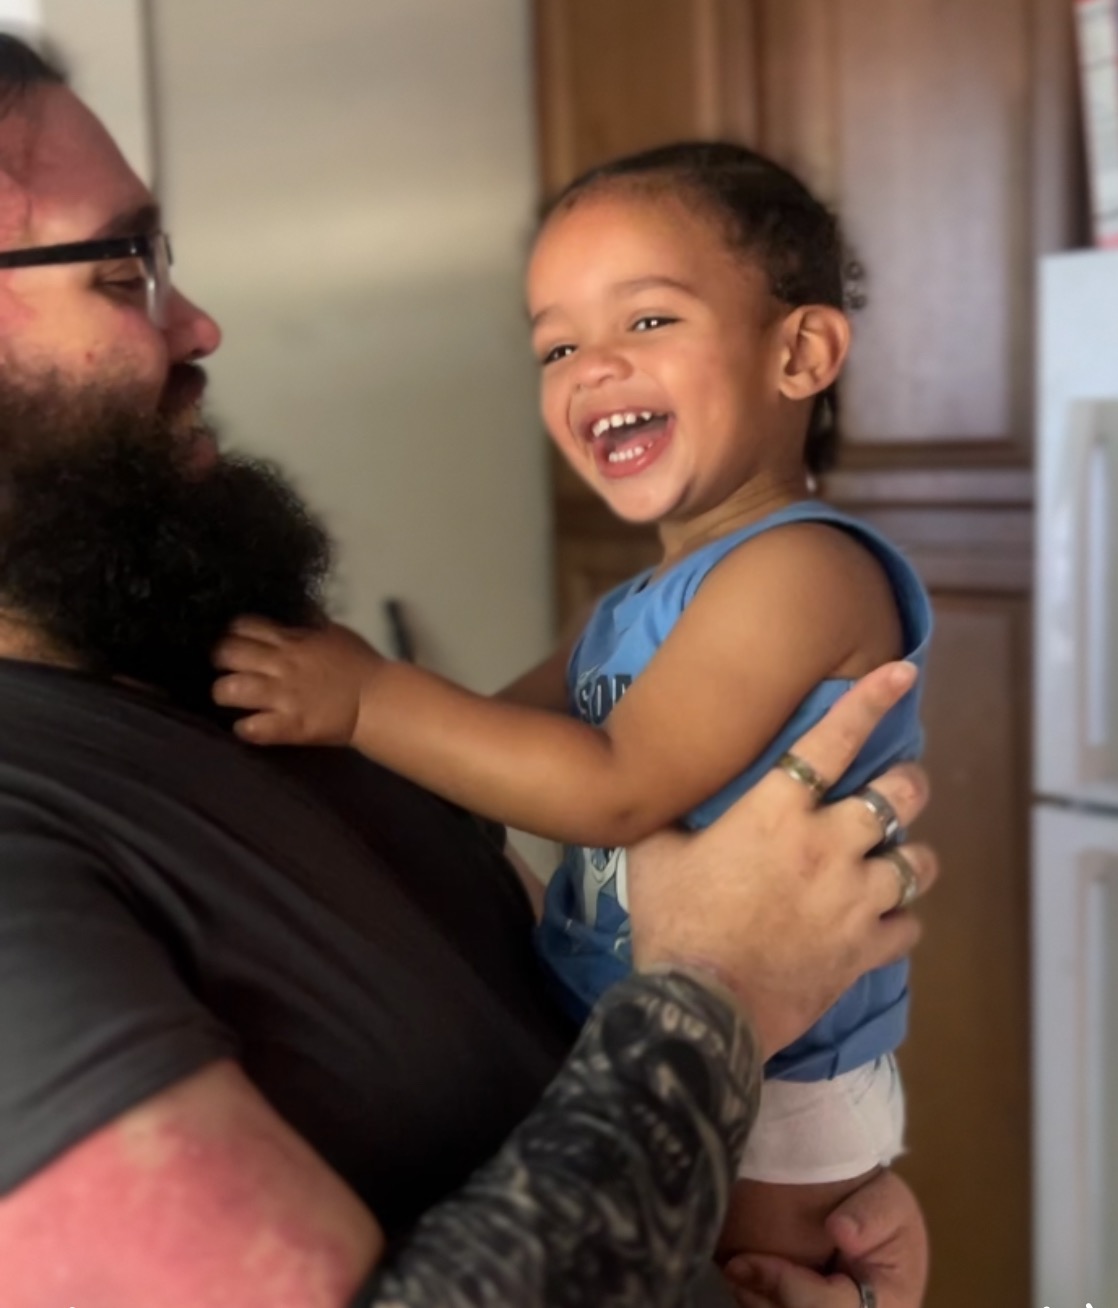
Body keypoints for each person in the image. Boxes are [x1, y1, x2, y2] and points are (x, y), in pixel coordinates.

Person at [0, 35, 937, 1308]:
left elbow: (545, 803)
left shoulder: (174, 637)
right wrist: (713, 1002)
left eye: (647, 320)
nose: (200, 323)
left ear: (801, 353)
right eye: (120, 270)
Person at [212, 142, 932, 1272]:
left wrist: (368, 699)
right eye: (556, 346)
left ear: (799, 353)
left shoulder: (803, 571)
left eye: (646, 321)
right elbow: (494, 752)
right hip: (659, 1037)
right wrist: (346, 735)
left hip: (779, 1083)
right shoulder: (638, 602)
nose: (593, 368)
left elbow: (612, 786)